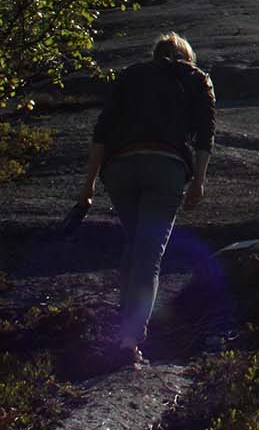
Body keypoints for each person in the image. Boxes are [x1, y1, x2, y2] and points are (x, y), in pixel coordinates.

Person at [78, 31, 216, 364]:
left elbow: (103, 129)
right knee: (148, 256)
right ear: (187, 56)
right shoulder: (197, 79)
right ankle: (128, 340)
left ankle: (120, 327)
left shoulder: (130, 75)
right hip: (165, 169)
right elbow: (205, 134)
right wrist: (198, 181)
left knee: (134, 243)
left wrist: (89, 185)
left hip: (121, 168)